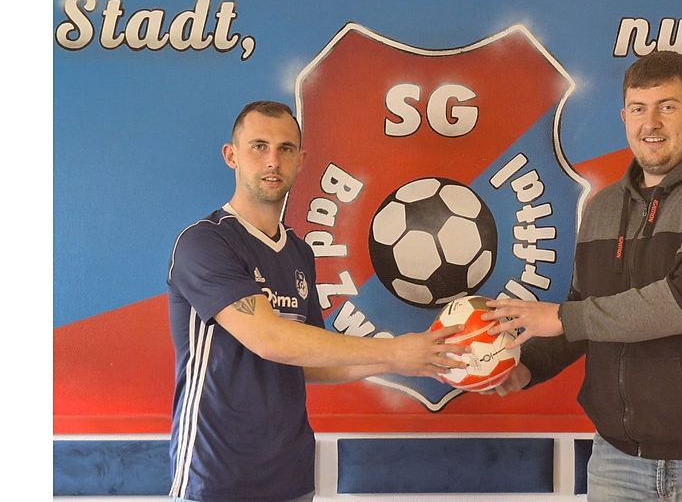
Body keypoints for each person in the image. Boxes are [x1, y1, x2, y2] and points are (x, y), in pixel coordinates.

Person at [483, 51, 682, 501]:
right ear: (624, 118)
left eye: (668, 106)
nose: (652, 123)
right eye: (639, 108)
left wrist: (564, 317)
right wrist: (527, 367)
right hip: (619, 458)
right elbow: (586, 312)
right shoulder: (604, 207)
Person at [166, 101, 467, 502]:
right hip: (216, 477)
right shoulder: (206, 242)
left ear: (301, 161)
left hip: (291, 476)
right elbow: (270, 339)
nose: (273, 161)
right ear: (231, 155)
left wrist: (405, 360)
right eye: (259, 146)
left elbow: (310, 361)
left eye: (286, 149)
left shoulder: (299, 252)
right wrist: (394, 349)